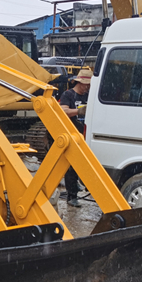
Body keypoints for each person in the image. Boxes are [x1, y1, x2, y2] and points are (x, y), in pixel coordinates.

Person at [58, 68, 93, 207]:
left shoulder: (87, 96)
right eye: (87, 85)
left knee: (83, 164)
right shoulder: (69, 95)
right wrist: (78, 111)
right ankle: (72, 196)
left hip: (84, 134)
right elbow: (63, 111)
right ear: (81, 83)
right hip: (71, 135)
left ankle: (76, 185)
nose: (88, 88)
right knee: (71, 166)